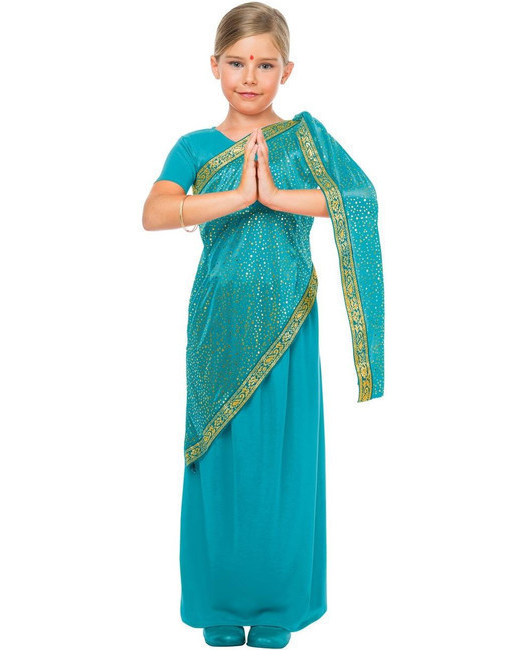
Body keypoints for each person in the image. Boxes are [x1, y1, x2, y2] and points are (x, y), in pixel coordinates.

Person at [142, 2, 384, 647]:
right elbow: (155, 212)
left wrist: (275, 196)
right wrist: (238, 196)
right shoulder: (195, 146)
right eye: (236, 63)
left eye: (265, 65)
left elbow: (359, 199)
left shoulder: (303, 141)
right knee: (218, 457)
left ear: (287, 70)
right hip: (217, 323)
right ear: (214, 66)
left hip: (289, 321)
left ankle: (279, 605)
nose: (249, 77)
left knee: (284, 460)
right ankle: (218, 606)